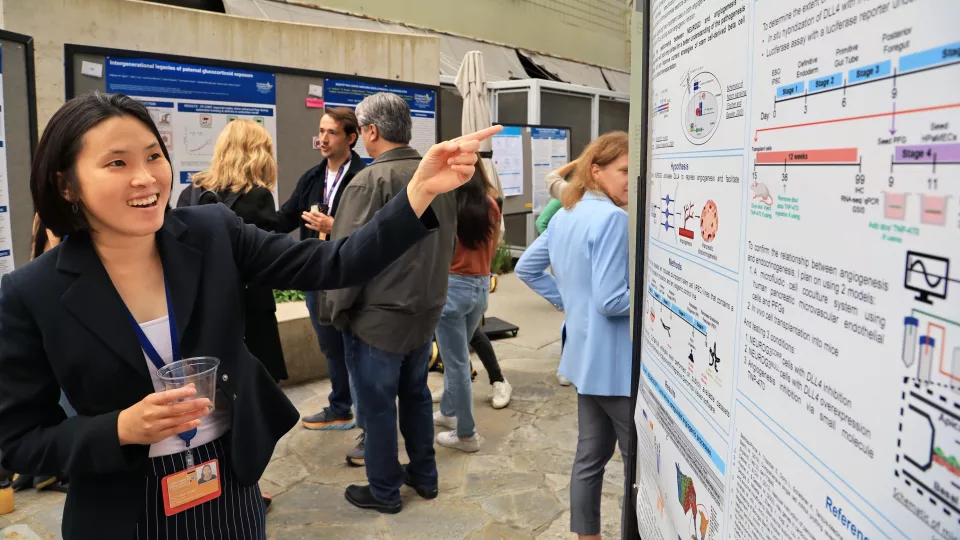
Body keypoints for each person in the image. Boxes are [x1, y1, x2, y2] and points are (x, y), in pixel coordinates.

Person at [0, 90, 499, 540]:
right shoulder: (30, 294)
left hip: (228, 483)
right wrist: (121, 428)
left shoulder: (211, 232)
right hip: (124, 505)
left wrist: (419, 192)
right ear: (66, 185)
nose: (145, 177)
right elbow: (19, 443)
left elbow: (336, 261)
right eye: (116, 163)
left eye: (154, 155)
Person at [326, 92, 456, 514]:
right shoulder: (438, 177)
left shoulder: (369, 181)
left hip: (377, 319)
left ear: (370, 132)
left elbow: (348, 258)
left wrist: (334, 310)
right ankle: (425, 477)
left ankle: (384, 492)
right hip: (424, 310)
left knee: (378, 408)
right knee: (416, 395)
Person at [514, 132, 632, 540]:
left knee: (590, 457)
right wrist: (661, 297)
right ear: (596, 172)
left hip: (582, 358)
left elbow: (526, 268)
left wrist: (567, 301)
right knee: (638, 466)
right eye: (624, 171)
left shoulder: (566, 212)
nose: (631, 180)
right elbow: (613, 302)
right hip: (616, 364)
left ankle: (587, 536)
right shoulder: (614, 219)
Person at [274, 108, 367, 439]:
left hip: (351, 276)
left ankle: (367, 416)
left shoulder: (363, 176)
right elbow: (284, 219)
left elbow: (373, 228)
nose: (322, 139)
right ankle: (341, 407)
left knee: (356, 346)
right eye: (321, 131)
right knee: (330, 346)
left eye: (331, 133)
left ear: (351, 138)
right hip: (317, 276)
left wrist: (335, 225)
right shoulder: (312, 178)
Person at [177, 119, 286, 383]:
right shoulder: (258, 196)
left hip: (201, 309)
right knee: (256, 387)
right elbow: (266, 259)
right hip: (248, 310)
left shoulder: (193, 191)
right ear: (258, 152)